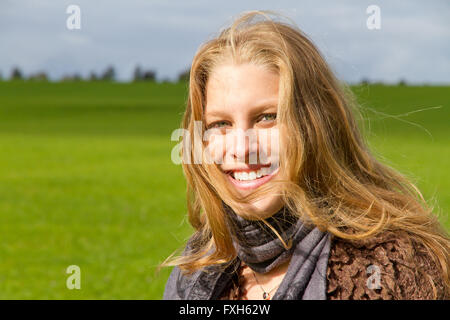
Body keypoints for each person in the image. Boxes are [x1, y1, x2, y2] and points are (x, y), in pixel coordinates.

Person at [162, 10, 449, 300]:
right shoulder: (194, 276)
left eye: (267, 117)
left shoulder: (393, 271)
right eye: (220, 124)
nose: (241, 148)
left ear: (317, 125)